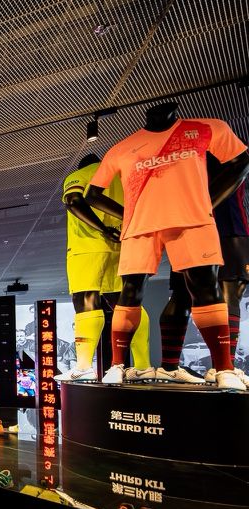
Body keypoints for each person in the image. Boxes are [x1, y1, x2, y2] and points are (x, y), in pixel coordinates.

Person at [85, 102, 249, 390]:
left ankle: (224, 368)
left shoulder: (206, 128)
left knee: (205, 287)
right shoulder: (122, 148)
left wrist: (205, 202)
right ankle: (117, 365)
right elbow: (92, 194)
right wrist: (127, 215)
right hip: (140, 226)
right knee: (131, 290)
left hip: (192, 220)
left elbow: (240, 162)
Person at [55, 154, 151, 382]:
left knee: (85, 300)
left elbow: (74, 201)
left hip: (87, 247)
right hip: (121, 246)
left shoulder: (81, 174)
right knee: (126, 304)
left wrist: (102, 229)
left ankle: (84, 366)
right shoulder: (122, 178)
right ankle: (143, 365)